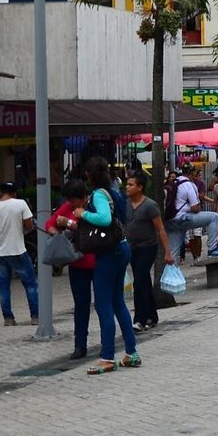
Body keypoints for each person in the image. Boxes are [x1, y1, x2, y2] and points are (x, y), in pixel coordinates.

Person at [75, 156, 140, 374]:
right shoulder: (115, 192)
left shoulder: (98, 195)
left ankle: (107, 357)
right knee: (117, 301)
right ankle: (131, 352)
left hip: (108, 252)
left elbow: (103, 219)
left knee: (103, 305)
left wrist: (82, 213)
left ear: (89, 175)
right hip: (121, 247)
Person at [47, 180, 96, 359]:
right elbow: (50, 224)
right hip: (77, 263)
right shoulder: (67, 206)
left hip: (98, 262)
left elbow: (95, 227)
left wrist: (69, 223)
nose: (72, 204)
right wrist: (58, 236)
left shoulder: (94, 205)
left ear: (84, 197)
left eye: (74, 201)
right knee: (81, 305)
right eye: (69, 201)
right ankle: (79, 345)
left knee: (105, 304)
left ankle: (108, 343)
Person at [0, 182, 37, 326]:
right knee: (30, 284)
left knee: (4, 287)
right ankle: (36, 316)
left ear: (1, 191)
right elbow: (29, 225)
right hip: (18, 250)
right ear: (15, 192)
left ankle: (8, 318)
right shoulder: (20, 204)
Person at [125, 172, 173, 331]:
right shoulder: (125, 205)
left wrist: (167, 252)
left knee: (139, 280)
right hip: (132, 248)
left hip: (147, 247)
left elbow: (160, 229)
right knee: (143, 281)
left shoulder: (150, 205)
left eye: (131, 184)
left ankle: (139, 319)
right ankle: (152, 315)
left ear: (140, 187)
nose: (127, 187)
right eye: (127, 184)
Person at [165, 163, 218, 263]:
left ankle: (169, 276)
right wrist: (189, 208)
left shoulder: (174, 182)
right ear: (192, 173)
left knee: (173, 254)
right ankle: (212, 249)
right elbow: (195, 208)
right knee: (214, 217)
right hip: (182, 218)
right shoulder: (188, 185)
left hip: (170, 220)